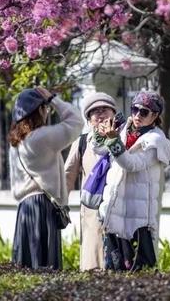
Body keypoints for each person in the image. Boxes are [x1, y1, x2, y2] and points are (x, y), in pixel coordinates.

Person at [95, 90, 170, 272]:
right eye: (135, 109)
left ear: (155, 116)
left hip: (138, 220)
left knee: (139, 276)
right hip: (115, 214)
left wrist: (113, 140)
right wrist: (101, 132)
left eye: (144, 112)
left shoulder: (155, 141)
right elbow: (98, 149)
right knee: (114, 274)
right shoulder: (123, 128)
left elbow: (130, 164)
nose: (137, 115)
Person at [9, 87, 83, 269]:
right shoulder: (41, 137)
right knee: (46, 268)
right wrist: (53, 99)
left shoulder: (16, 143)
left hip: (25, 208)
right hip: (41, 207)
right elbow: (77, 122)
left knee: (28, 267)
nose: (48, 112)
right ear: (39, 110)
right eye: (45, 108)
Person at [65, 92, 117, 271]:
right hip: (92, 209)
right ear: (89, 119)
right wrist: (59, 202)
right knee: (93, 263)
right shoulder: (82, 143)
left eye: (105, 109)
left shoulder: (124, 138)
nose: (101, 114)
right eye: (95, 111)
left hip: (119, 206)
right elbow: (68, 175)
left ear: (113, 113)